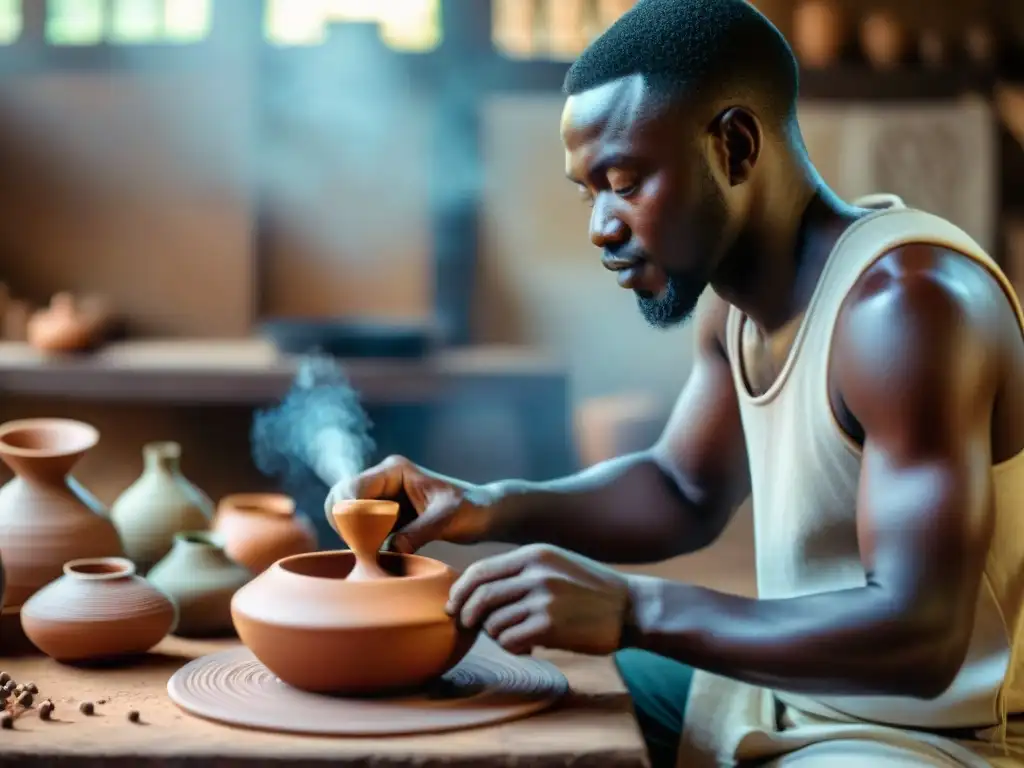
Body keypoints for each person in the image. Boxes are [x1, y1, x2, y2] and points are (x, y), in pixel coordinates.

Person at [326, 0, 1024, 765]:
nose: (600, 225)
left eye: (623, 181)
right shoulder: (732, 308)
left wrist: (633, 607)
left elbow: (922, 634)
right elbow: (681, 492)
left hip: (932, 738)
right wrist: (488, 506)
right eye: (587, 191)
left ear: (734, 145)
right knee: (520, 709)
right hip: (789, 694)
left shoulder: (905, 307)